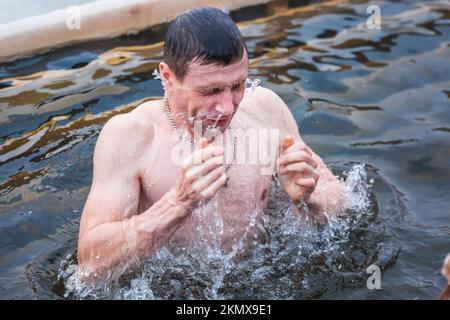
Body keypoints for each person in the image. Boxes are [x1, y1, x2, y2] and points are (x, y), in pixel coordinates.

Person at [77, 7, 345, 282]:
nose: (228, 107)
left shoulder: (265, 109)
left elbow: (342, 203)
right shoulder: (130, 136)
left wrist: (309, 197)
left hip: (265, 277)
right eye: (211, 91)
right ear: (167, 78)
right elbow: (89, 265)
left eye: (238, 85)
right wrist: (178, 204)